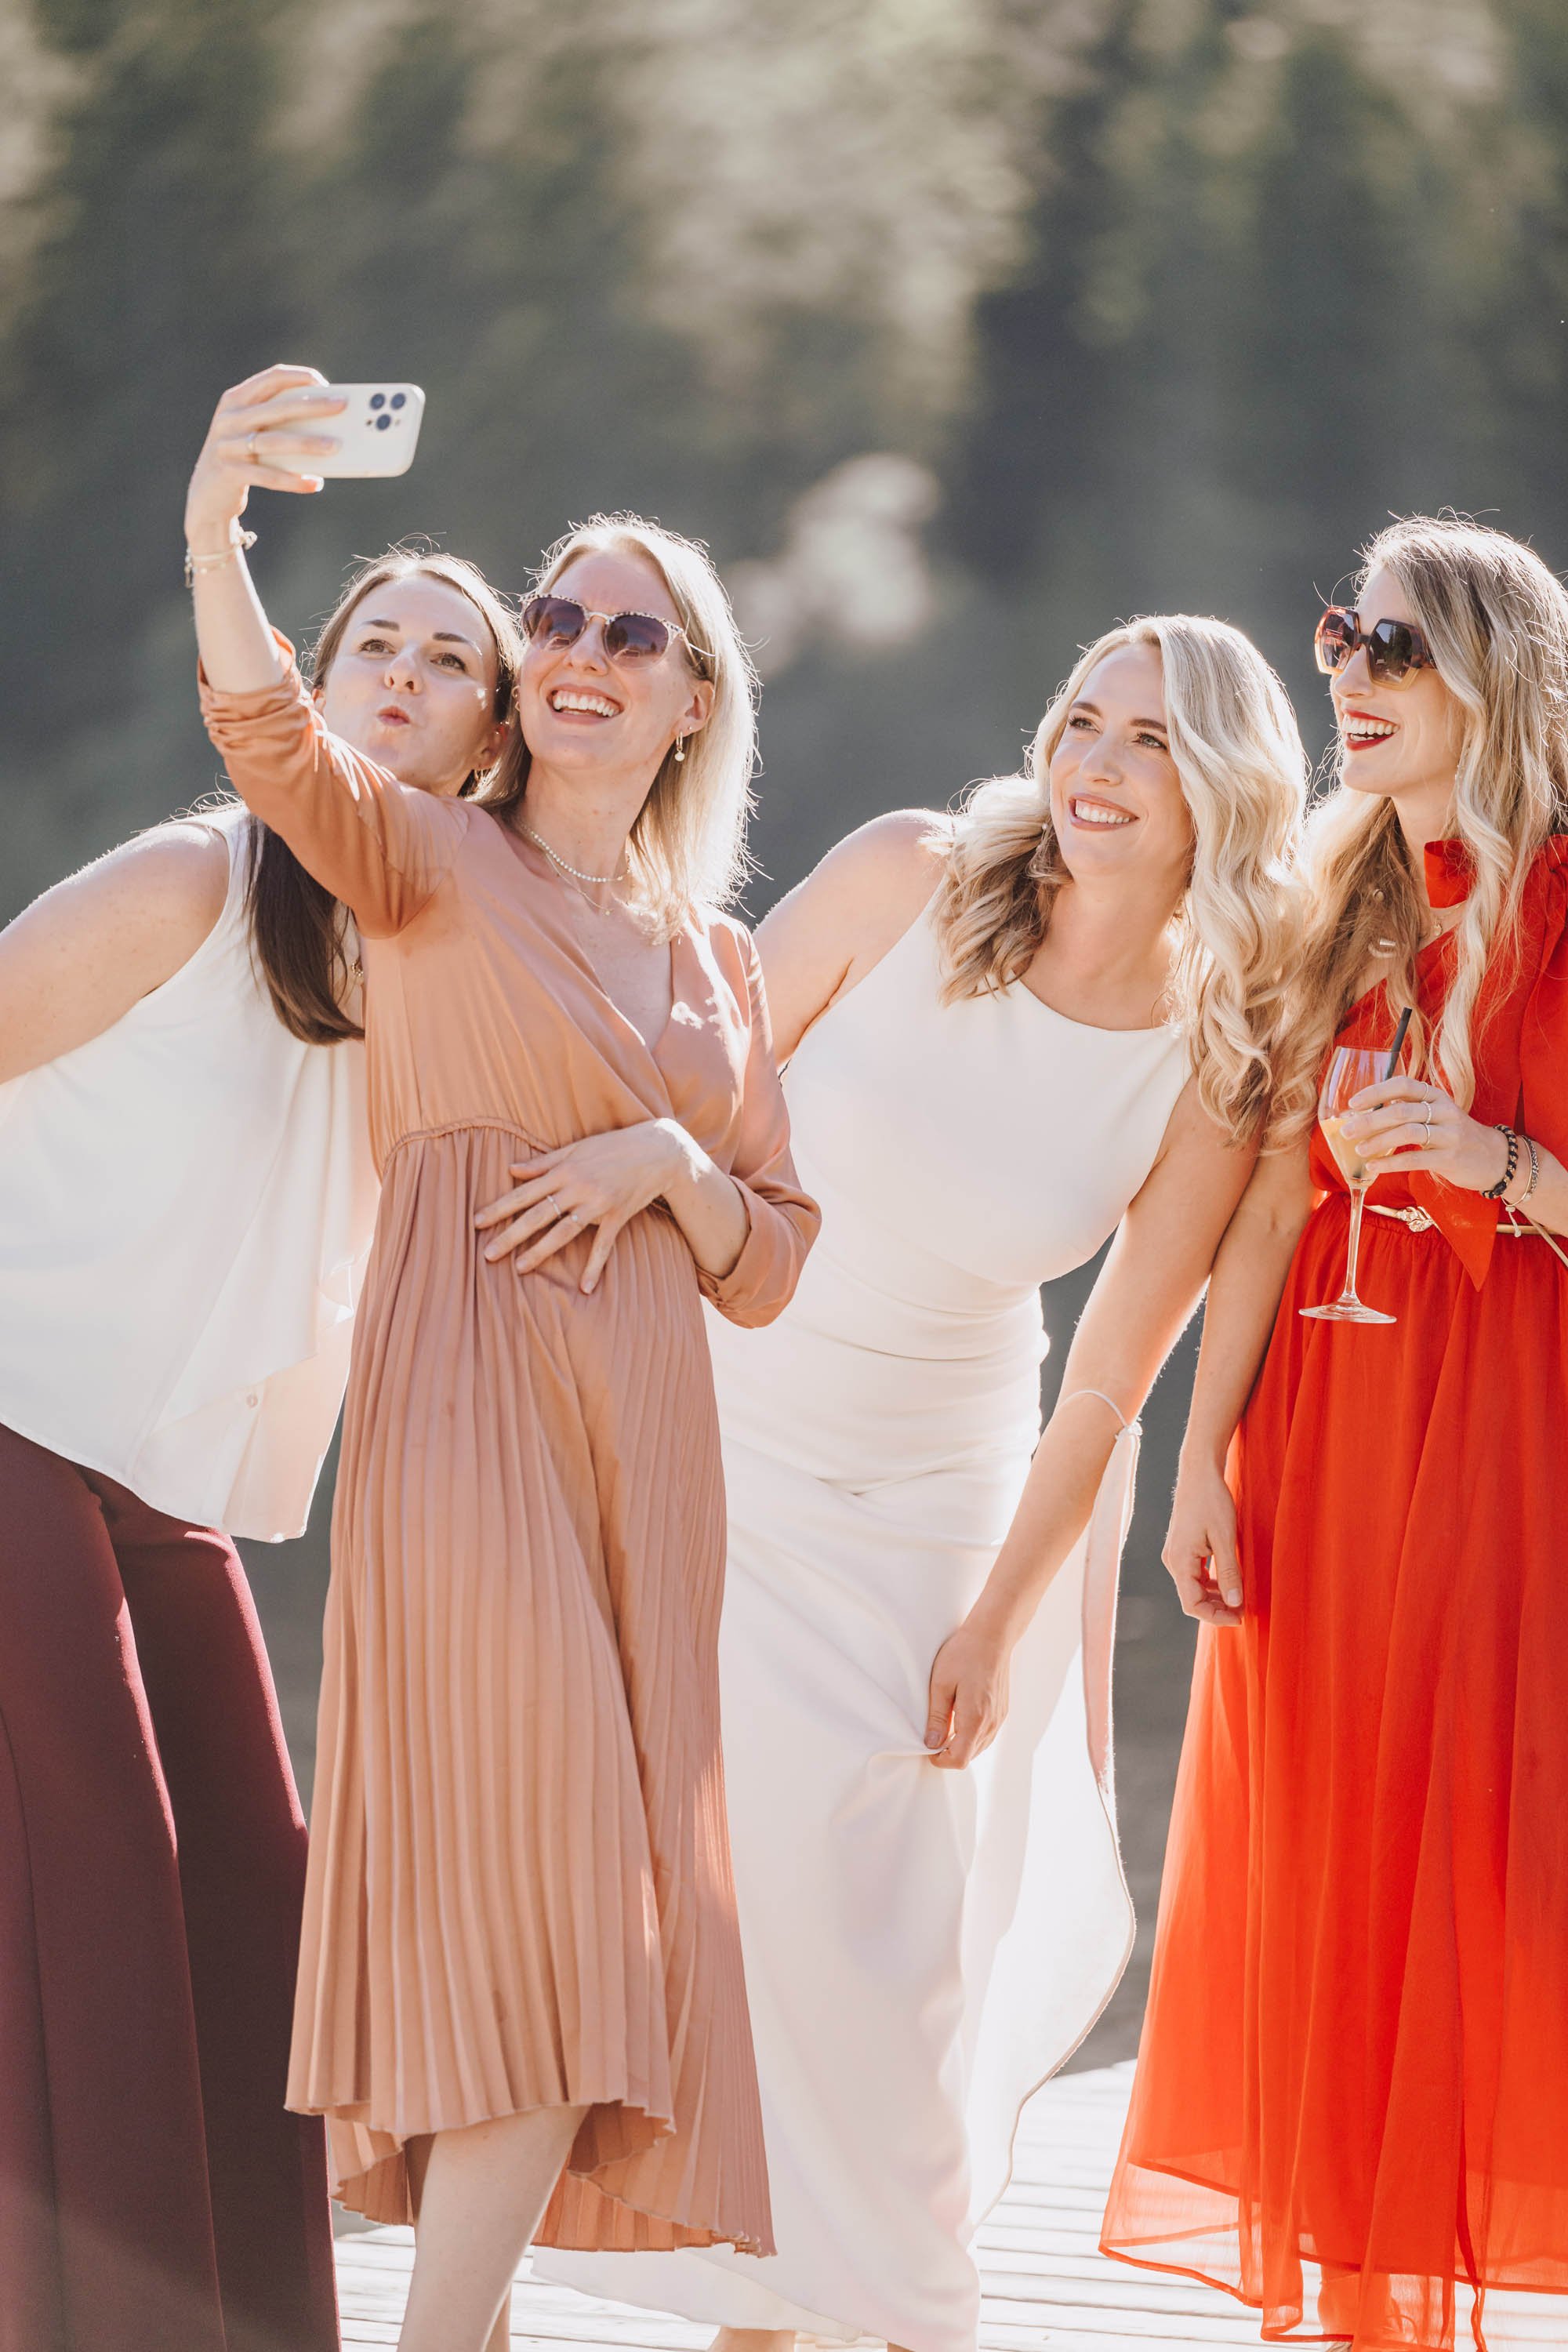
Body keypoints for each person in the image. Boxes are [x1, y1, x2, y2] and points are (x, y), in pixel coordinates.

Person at [539, 614, 1307, 2352]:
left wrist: (1000, 1617)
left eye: (1151, 742)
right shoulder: (909, 874)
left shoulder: (1216, 1042)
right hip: (722, 1422)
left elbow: (1113, 1370)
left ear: (1226, 790)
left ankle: (883, 2307)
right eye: (1082, 722)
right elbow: (689, 1073)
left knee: (876, 1939)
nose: (1097, 768)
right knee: (710, 1902)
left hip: (942, 1492)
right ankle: (747, 2301)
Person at [187, 363, 819, 2352]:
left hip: (651, 1463)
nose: (578, 656)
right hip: (467, 1432)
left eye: (633, 635)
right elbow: (267, 730)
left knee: (593, 1928)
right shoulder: (428, 861)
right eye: (555, 619)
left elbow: (775, 1257)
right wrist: (218, 522)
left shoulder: (719, 965)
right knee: (548, 1886)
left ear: (694, 696)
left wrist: (662, 1167)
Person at [0, 500, 520, 2345]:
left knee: (245, 1894)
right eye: (372, 636)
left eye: (448, 655)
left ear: (492, 739)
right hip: (12, 1414)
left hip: (164, 1464)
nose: (400, 671)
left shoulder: (445, 968)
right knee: (95, 1894)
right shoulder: (188, 882)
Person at [1102, 517, 1568, 2352]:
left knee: (1481, 1865)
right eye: (1337, 640)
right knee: (1324, 1864)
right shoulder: (1337, 900)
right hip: (1325, 1430)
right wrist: (1201, 1457)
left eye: (1389, 650)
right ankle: (1374, 2323)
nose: (1343, 678)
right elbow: (1274, 1211)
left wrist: (1504, 1166)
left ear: (1490, 676)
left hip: (1508, 1445)